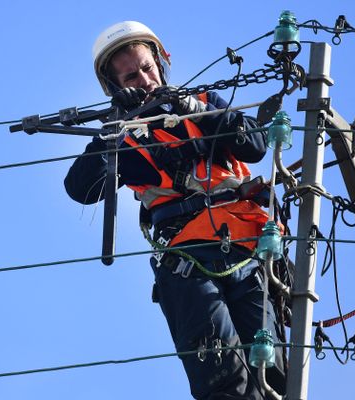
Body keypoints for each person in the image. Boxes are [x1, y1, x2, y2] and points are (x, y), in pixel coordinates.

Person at [64, 21, 285, 399]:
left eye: (147, 68)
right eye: (131, 76)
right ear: (116, 85)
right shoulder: (126, 136)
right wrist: (112, 129)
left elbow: (256, 144)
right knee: (224, 379)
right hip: (188, 259)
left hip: (250, 251)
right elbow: (80, 188)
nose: (144, 80)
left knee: (275, 374)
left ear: (160, 64)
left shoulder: (203, 104)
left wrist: (195, 109)